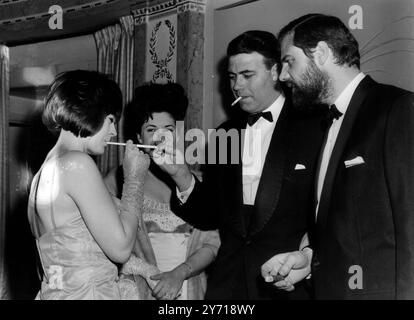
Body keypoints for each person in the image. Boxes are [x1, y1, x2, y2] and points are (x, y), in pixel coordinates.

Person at [153, 31, 324, 299]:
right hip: (227, 285)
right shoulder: (225, 133)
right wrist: (181, 174)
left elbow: (328, 214)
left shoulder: (313, 126)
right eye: (232, 77)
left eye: (247, 75)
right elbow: (210, 215)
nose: (236, 86)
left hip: (288, 286)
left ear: (276, 71)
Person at [261, 14, 414, 299]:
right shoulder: (327, 122)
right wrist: (308, 260)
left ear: (321, 54)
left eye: (289, 61)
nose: (282, 76)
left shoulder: (397, 109)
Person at [27, 70, 150, 299]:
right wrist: (134, 179)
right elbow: (121, 248)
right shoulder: (78, 164)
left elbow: (75, 254)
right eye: (111, 120)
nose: (113, 131)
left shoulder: (41, 175)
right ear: (91, 112)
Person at [104, 82, 220, 300]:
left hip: (193, 292)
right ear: (139, 137)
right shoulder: (119, 179)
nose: (160, 138)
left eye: (168, 129)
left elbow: (213, 245)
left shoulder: (199, 183)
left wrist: (178, 274)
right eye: (151, 130)